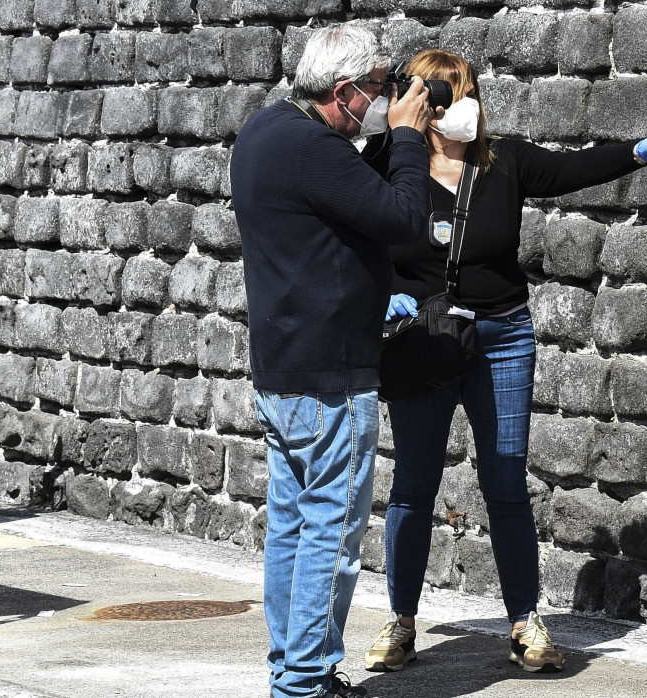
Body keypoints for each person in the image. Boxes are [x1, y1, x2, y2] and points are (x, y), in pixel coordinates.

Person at [362, 49, 647, 675]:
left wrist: (641, 150)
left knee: (505, 483)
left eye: (460, 90)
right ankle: (401, 621)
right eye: (437, 93)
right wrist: (381, 293)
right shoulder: (390, 162)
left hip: (501, 336)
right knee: (413, 486)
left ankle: (524, 621)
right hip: (422, 338)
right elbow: (348, 231)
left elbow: (573, 169)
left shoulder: (501, 159)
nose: (451, 103)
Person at [230, 24, 442, 698]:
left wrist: (389, 134)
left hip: (285, 368)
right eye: (379, 91)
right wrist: (408, 138)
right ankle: (307, 682)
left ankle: (290, 671)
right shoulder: (313, 149)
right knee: (332, 535)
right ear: (344, 93)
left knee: (292, 529)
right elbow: (406, 217)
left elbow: (344, 194)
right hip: (330, 377)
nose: (385, 101)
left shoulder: (266, 133)